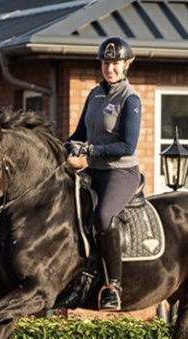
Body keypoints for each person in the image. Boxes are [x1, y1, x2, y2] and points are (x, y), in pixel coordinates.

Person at [66, 36, 142, 311]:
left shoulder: (130, 99)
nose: (110, 68)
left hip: (120, 172)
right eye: (106, 63)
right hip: (92, 170)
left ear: (126, 65)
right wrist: (65, 146)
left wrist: (89, 152)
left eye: (115, 64)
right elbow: (79, 134)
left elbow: (127, 145)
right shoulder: (94, 95)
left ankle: (113, 286)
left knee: (102, 216)